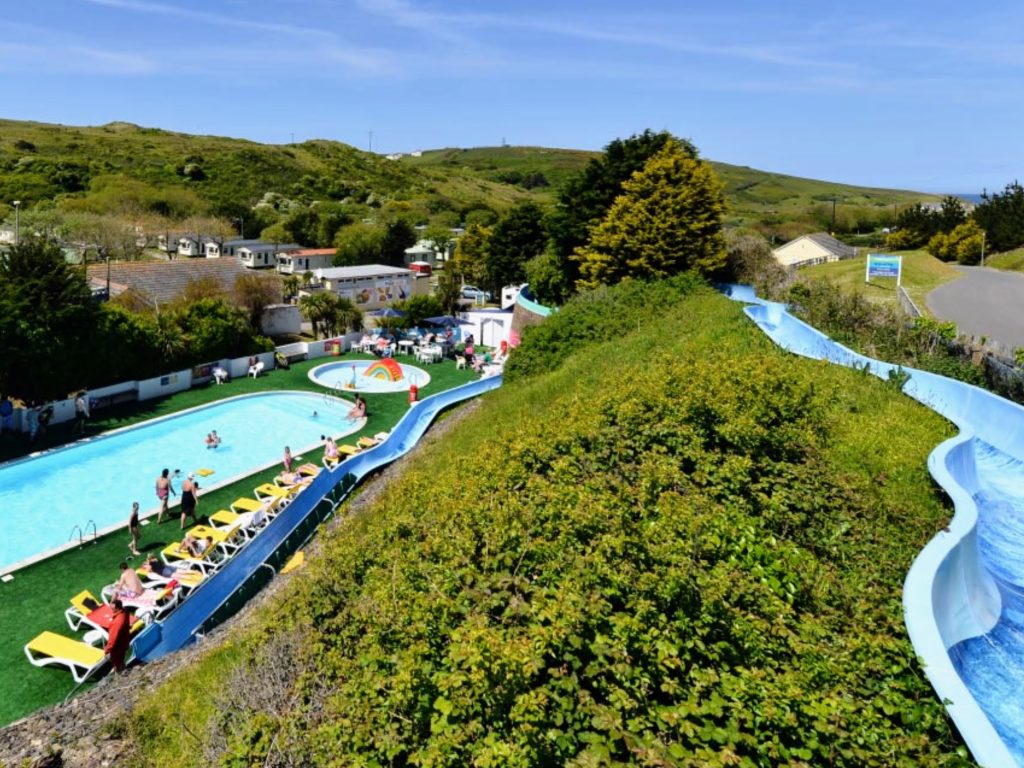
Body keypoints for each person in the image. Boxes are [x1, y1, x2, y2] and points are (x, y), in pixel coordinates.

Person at [104, 599, 133, 673]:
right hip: (124, 640)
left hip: (117, 645)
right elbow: (126, 623)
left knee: (117, 662)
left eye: (113, 608)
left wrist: (107, 650)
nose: (111, 610)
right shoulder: (125, 611)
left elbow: (113, 638)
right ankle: (122, 668)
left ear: (117, 608)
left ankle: (121, 673)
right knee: (121, 658)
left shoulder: (117, 622)